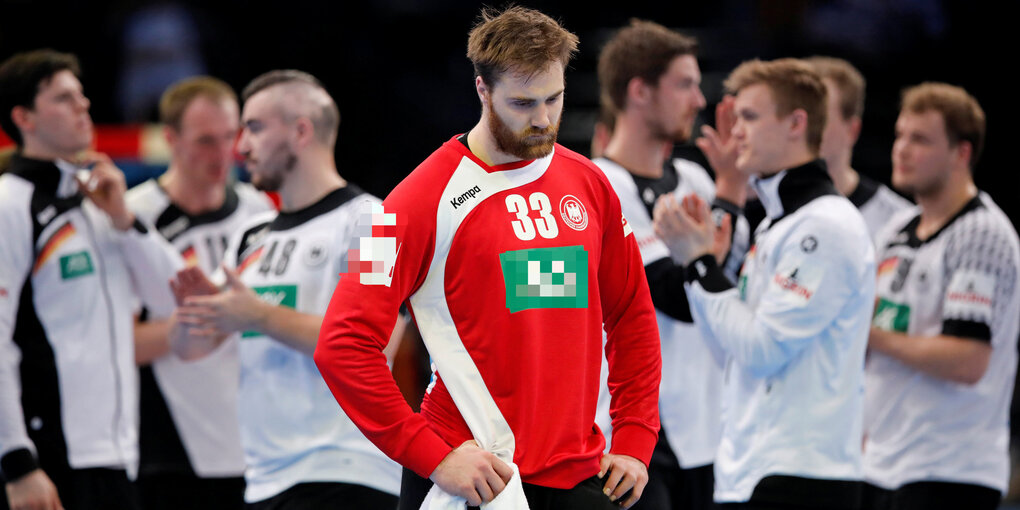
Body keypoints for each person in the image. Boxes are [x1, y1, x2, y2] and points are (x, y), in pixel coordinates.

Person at [315, 6, 662, 510]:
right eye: (522, 103)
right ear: (482, 90)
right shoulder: (406, 203)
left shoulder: (591, 183)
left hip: (579, 478)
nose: (543, 119)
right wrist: (432, 457)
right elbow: (340, 344)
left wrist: (634, 438)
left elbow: (632, 313)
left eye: (555, 98)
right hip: (468, 480)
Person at [169, 70, 402, 509]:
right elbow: (192, 349)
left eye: (254, 127)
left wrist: (259, 316)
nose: (241, 147)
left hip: (347, 470)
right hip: (264, 477)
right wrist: (192, 313)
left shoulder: (373, 222)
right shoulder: (250, 236)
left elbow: (377, 343)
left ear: (300, 131)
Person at [653, 58, 874, 509]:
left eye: (750, 117)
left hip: (803, 476)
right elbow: (727, 352)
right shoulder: (776, 225)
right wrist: (702, 266)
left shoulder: (826, 226)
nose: (736, 132)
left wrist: (698, 263)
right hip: (752, 469)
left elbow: (762, 348)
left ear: (797, 124)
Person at [0, 49, 181, 510]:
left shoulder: (99, 203)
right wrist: (16, 461)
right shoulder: (10, 204)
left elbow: (173, 298)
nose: (83, 106)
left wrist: (123, 219)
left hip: (117, 453)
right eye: (63, 99)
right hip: (49, 458)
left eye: (81, 96)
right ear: (24, 117)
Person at [592, 19, 749, 510]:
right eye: (684, 84)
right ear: (639, 92)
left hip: (706, 427)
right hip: (629, 434)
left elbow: (731, 285)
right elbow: (678, 296)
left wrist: (728, 195)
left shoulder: (697, 180)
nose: (699, 101)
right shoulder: (600, 186)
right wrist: (730, 197)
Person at [862, 83, 1019, 510]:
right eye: (899, 136)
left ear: (961, 153)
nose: (902, 150)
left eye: (920, 139)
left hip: (949, 469)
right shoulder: (894, 230)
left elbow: (967, 360)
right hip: (880, 461)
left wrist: (871, 335)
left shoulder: (982, 233)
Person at [126, 76, 275, 510]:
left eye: (232, 136)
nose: (223, 154)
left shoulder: (260, 211)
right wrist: (201, 321)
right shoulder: (131, 218)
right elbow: (114, 344)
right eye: (206, 141)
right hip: (166, 448)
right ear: (169, 138)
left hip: (257, 441)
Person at [804, 56, 911, 241]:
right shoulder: (767, 206)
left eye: (820, 117)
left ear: (852, 130)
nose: (805, 128)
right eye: (798, 117)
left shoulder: (898, 223)